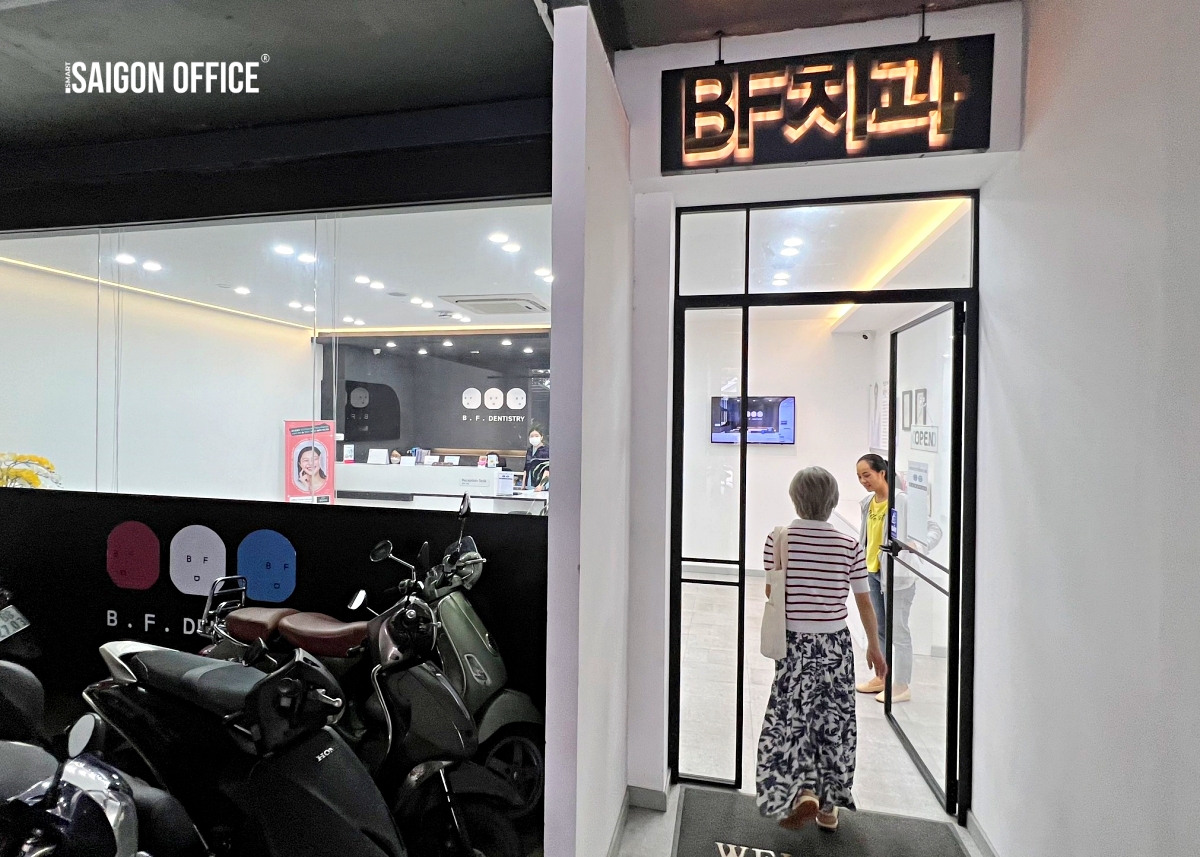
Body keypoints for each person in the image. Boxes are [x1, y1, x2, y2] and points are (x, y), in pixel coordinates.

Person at [757, 466, 886, 832]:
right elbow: (864, 602)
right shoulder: (849, 545)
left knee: (794, 714)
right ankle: (829, 807)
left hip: (793, 643)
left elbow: (771, 591)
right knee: (834, 719)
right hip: (835, 646)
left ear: (795, 499)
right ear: (832, 502)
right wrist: (874, 647)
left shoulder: (777, 539)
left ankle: (801, 790)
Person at [855, 454, 924, 704]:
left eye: (867, 475)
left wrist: (916, 546)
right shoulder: (868, 503)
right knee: (880, 629)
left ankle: (902, 685)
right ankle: (882, 677)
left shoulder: (902, 501)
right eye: (859, 477)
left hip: (898, 576)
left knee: (899, 632)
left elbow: (931, 529)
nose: (863, 481)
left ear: (882, 473)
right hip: (874, 572)